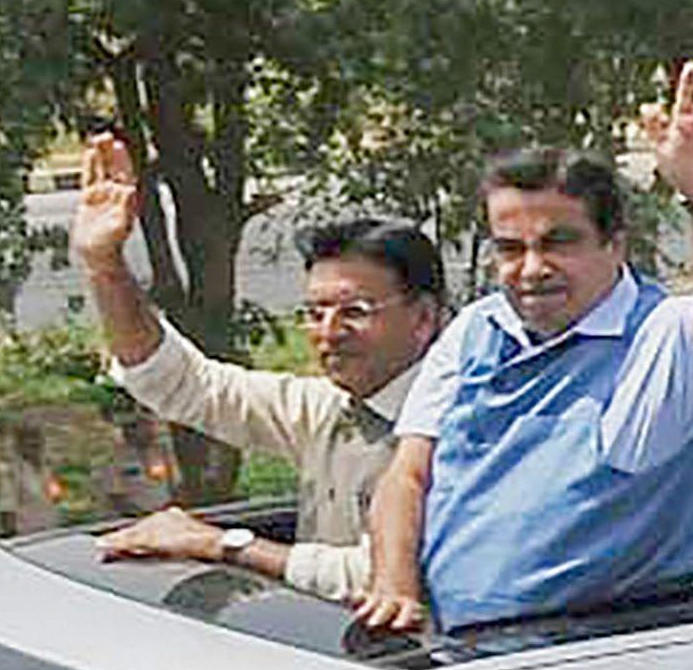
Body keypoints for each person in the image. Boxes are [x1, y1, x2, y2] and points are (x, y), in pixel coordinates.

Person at [356, 59, 693, 637]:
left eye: (558, 243)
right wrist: (395, 589)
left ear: (615, 244)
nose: (531, 269)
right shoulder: (477, 330)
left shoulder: (660, 338)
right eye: (509, 248)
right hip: (457, 662)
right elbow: (408, 478)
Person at [72, 133, 447, 604]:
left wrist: (221, 544)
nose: (328, 332)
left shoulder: (458, 432)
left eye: (354, 312)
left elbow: (374, 576)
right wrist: (105, 266)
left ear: (424, 318)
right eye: (314, 313)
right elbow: (177, 383)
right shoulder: (328, 407)